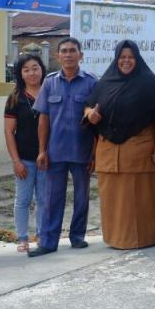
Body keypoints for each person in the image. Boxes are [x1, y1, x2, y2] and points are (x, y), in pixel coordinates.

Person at [85, 41, 155, 249]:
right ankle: (115, 238)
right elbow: (88, 105)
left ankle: (145, 238)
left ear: (137, 59)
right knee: (113, 199)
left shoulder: (151, 84)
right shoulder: (105, 83)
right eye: (122, 57)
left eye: (130, 57)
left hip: (140, 151)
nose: (126, 61)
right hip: (109, 153)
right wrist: (90, 114)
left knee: (140, 198)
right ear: (116, 59)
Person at [32, 37, 98, 257]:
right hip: (55, 151)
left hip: (82, 150)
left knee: (81, 197)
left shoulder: (91, 83)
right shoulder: (50, 83)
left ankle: (77, 236)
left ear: (81, 55)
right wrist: (42, 150)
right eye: (64, 51)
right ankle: (48, 242)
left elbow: (98, 122)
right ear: (57, 55)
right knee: (52, 198)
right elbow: (43, 118)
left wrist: (94, 153)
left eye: (72, 51)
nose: (68, 55)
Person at [4, 54, 48, 253]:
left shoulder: (50, 92)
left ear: (42, 70)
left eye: (35, 68)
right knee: (23, 200)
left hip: (46, 158)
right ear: (20, 74)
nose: (32, 73)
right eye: (26, 69)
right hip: (24, 159)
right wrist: (16, 161)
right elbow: (8, 131)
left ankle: (42, 235)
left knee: (43, 200)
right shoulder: (15, 98)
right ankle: (22, 238)